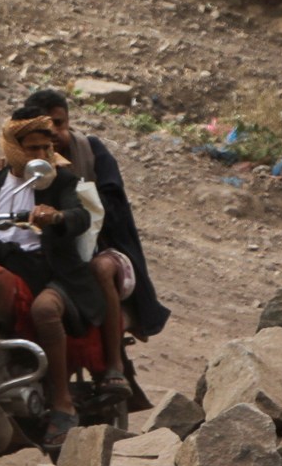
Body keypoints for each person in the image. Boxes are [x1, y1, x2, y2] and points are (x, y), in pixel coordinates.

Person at [17, 86, 169, 396]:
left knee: (100, 269)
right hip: (51, 247)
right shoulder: (27, 158)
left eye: (59, 123)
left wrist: (74, 204)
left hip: (103, 245)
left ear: (68, 121)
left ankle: (114, 365)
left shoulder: (91, 151)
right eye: (45, 126)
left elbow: (114, 207)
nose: (54, 133)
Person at [0, 112, 104, 450]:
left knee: (44, 310)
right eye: (33, 148)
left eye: (46, 147)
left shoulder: (60, 179)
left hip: (51, 272)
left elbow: (80, 216)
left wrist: (56, 216)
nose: (42, 155)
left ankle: (62, 403)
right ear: (13, 149)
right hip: (0, 263)